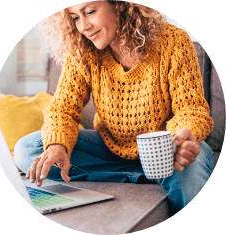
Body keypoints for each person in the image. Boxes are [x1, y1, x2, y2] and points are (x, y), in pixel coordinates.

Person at [14, 0, 215, 217]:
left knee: (195, 158)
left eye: (90, 12)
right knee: (28, 148)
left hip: (165, 152)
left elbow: (192, 111)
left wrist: (181, 138)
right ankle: (145, 176)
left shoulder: (173, 42)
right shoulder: (83, 50)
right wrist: (57, 145)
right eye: (75, 17)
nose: (83, 26)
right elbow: (62, 109)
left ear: (120, 5)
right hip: (111, 149)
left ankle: (160, 173)